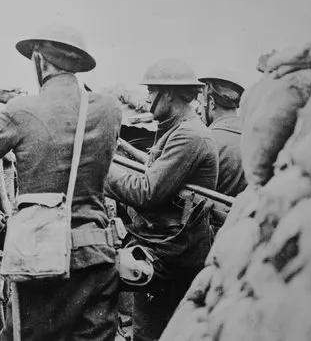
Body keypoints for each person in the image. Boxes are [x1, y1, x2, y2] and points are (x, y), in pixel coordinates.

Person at [0, 25, 123, 341]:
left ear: (39, 60)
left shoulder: (22, 111)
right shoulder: (110, 110)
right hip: (98, 254)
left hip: (44, 259)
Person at [105, 58, 219, 341]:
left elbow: (147, 192)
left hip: (171, 258)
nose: (148, 98)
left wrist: (98, 168)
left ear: (169, 93)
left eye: (152, 90)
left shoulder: (190, 136)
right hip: (165, 252)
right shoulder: (177, 131)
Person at [198, 70, 247, 198]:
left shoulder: (206, 140)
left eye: (202, 102)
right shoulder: (253, 138)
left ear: (212, 102)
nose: (200, 109)